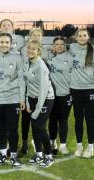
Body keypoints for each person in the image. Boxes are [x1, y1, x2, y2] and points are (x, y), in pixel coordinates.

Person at [0, 32, 25, 167]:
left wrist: (22, 99)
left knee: (13, 128)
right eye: (1, 42)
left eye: (6, 42)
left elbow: (21, 79)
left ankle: (14, 155)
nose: (4, 45)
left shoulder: (18, 58)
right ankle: (3, 153)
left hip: (13, 98)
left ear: (11, 44)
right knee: (0, 128)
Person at [23, 40, 54, 168]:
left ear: (39, 51)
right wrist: (27, 101)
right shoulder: (28, 62)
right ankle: (39, 154)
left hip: (45, 99)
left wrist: (37, 109)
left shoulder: (41, 66)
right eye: (29, 48)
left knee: (40, 127)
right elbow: (27, 84)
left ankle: (49, 155)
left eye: (34, 49)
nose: (30, 50)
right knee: (35, 127)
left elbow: (43, 90)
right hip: (32, 98)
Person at [20, 28, 46, 154]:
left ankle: (41, 144)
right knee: (25, 118)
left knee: (39, 120)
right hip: (27, 89)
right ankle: (24, 142)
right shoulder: (24, 50)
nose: (36, 37)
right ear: (29, 36)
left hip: (41, 89)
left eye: (38, 35)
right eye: (34, 35)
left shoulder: (46, 52)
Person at [69, 28, 94, 158]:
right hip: (75, 89)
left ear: (88, 37)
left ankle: (91, 147)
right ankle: (79, 146)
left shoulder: (93, 50)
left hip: (90, 89)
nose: (83, 37)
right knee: (78, 119)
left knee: (90, 119)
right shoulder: (71, 48)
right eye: (80, 35)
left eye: (85, 35)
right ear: (76, 37)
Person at [46, 36, 73, 155]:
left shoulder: (71, 58)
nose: (59, 46)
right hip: (51, 95)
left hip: (65, 94)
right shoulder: (49, 58)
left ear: (65, 46)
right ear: (53, 46)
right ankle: (52, 142)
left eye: (62, 44)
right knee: (52, 120)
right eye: (57, 44)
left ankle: (63, 145)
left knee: (63, 120)